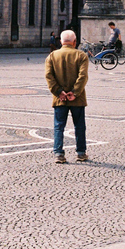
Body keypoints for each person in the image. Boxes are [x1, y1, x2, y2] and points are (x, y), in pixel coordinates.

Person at [45, 30, 89, 164]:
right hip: (78, 98)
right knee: (79, 126)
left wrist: (59, 92)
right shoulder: (81, 56)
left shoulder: (52, 56)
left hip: (60, 98)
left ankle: (58, 153)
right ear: (74, 42)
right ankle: (81, 153)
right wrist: (74, 92)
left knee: (59, 126)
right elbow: (83, 76)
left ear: (60, 41)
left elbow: (49, 76)